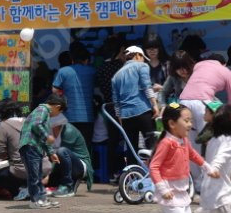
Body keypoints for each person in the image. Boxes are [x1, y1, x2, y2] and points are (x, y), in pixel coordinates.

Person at [138, 104, 218, 213]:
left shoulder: (183, 140)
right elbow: (154, 167)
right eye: (186, 120)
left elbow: (193, 155)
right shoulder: (167, 143)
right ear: (172, 124)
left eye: (190, 120)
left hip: (182, 191)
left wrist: (208, 168)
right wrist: (162, 188)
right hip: (168, 192)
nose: (190, 124)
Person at [179, 53, 231, 185]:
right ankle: (211, 181)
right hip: (202, 102)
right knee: (210, 142)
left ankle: (198, 184)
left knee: (191, 145)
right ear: (224, 64)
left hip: (183, 102)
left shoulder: (198, 66)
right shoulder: (226, 72)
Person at [193, 104, 231, 213]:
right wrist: (215, 168)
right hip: (218, 186)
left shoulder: (216, 138)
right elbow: (221, 157)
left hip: (218, 183)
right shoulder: (227, 140)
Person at [0, 100, 50, 201]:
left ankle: (19, 191)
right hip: (44, 167)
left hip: (22, 171)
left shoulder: (4, 125)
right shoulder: (31, 121)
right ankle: (33, 188)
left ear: (2, 113)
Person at [111, 46, 160, 168]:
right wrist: (154, 104)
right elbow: (146, 87)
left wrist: (120, 119)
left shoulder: (116, 76)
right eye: (143, 58)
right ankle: (154, 176)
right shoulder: (142, 66)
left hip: (126, 117)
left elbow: (116, 102)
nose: (144, 60)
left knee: (131, 149)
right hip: (143, 112)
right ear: (138, 55)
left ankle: (133, 178)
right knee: (152, 146)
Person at [19, 94, 66, 209]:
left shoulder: (43, 112)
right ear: (57, 106)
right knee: (34, 176)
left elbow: (41, 135)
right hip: (30, 146)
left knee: (37, 175)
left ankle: (42, 199)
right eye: (59, 112)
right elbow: (36, 125)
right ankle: (35, 201)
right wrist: (47, 136)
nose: (58, 115)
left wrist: (51, 153)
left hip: (35, 147)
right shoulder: (42, 109)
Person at [52, 41, 95, 151]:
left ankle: (70, 168)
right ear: (86, 60)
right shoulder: (92, 71)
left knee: (68, 148)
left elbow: (55, 91)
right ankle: (85, 168)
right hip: (88, 117)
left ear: (72, 59)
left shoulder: (63, 71)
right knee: (85, 148)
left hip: (69, 116)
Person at [95, 39, 127, 181]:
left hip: (108, 106)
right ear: (120, 50)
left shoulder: (102, 68)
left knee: (112, 140)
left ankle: (112, 172)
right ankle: (124, 170)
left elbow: (100, 88)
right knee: (127, 139)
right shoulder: (123, 67)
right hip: (123, 106)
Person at [47, 113, 93, 197]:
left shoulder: (68, 131)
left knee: (61, 151)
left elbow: (58, 156)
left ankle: (68, 185)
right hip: (61, 164)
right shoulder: (49, 132)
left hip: (80, 165)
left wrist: (47, 175)